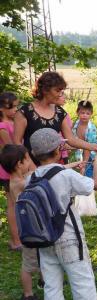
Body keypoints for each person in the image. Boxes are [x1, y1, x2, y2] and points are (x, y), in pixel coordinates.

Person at [27, 128, 97, 300]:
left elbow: (50, 172)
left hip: (44, 238)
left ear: (34, 153)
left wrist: (71, 165)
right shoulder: (66, 175)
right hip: (69, 237)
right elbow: (96, 184)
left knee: (51, 287)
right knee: (83, 284)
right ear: (58, 150)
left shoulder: (31, 178)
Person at [13, 71, 97, 166]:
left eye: (61, 91)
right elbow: (17, 142)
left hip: (53, 166)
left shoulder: (60, 113)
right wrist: (31, 166)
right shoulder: (24, 112)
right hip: (29, 167)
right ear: (45, 90)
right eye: (57, 91)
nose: (60, 95)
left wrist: (94, 147)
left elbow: (71, 139)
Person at [0, 145, 40, 300]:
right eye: (28, 158)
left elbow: (36, 173)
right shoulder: (18, 183)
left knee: (42, 253)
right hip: (28, 229)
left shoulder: (20, 178)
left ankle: (43, 280)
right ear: (19, 164)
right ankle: (28, 294)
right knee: (28, 264)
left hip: (33, 227)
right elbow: (39, 176)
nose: (30, 161)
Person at [72, 100, 97, 213]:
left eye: (87, 113)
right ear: (77, 113)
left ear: (91, 114)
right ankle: (85, 206)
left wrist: (84, 164)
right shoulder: (75, 125)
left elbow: (88, 147)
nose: (84, 115)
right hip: (82, 156)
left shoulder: (91, 128)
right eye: (82, 113)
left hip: (95, 157)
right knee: (87, 181)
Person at [0, 92, 21, 250]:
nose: (15, 109)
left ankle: (19, 237)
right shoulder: (3, 126)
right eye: (11, 107)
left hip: (16, 168)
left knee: (17, 202)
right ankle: (15, 241)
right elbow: (12, 149)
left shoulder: (14, 122)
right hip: (8, 170)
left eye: (16, 106)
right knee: (12, 204)